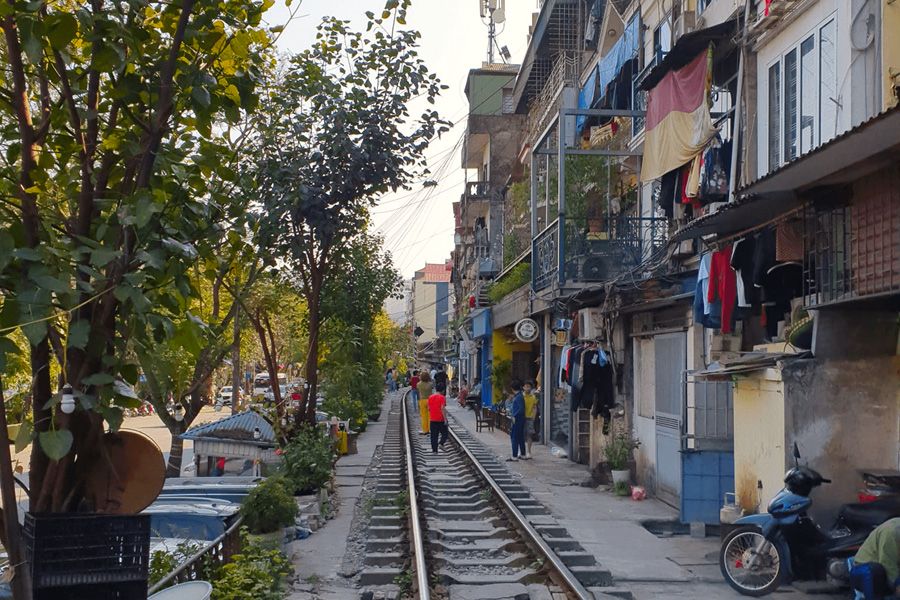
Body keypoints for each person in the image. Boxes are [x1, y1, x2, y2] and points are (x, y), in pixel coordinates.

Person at [851, 517, 900, 599]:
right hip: (864, 571)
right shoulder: (890, 532)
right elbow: (887, 564)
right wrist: (898, 584)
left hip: (891, 573)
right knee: (876, 570)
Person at [506, 380, 526, 461]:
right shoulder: (520, 396)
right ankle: (523, 454)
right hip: (520, 419)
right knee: (520, 437)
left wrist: (514, 416)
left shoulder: (518, 397)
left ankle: (514, 455)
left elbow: (520, 409)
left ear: (512, 388)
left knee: (514, 437)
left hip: (517, 419)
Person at [428, 382, 448, 453]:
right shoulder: (442, 397)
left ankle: (434, 450)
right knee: (445, 433)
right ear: (443, 390)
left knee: (434, 435)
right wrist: (445, 419)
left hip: (432, 419)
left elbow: (429, 408)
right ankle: (441, 443)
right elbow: (442, 408)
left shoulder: (430, 397)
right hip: (440, 419)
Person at [523, 380, 538, 459]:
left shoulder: (533, 397)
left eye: (529, 387)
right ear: (523, 387)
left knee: (529, 435)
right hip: (522, 418)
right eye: (526, 386)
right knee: (522, 435)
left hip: (529, 418)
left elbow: (535, 407)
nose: (527, 388)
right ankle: (521, 451)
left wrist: (533, 417)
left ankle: (529, 451)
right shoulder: (521, 396)